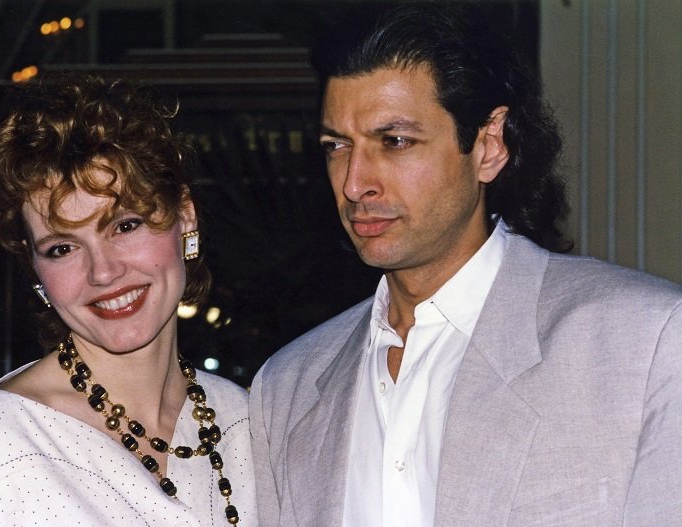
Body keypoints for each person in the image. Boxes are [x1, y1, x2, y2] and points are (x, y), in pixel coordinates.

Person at [249, 3, 682, 526]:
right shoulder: (288, 387)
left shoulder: (643, 342)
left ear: (488, 145)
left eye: (395, 142)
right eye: (337, 146)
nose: (353, 182)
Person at [0, 76, 257, 526]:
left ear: (183, 216)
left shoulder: (249, 425)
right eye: (62, 248)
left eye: (125, 226)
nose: (104, 272)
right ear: (36, 269)